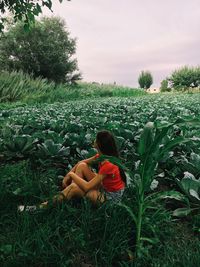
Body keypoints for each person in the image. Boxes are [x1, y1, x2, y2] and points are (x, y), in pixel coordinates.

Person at [18, 130, 126, 212]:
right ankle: (70, 193)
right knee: (82, 166)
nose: (94, 140)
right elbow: (81, 163)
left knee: (87, 193)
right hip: (103, 186)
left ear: (100, 144)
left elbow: (88, 186)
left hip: (110, 198)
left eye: (96, 139)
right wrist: (67, 176)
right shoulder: (101, 156)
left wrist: (71, 174)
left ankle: (41, 207)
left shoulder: (109, 164)